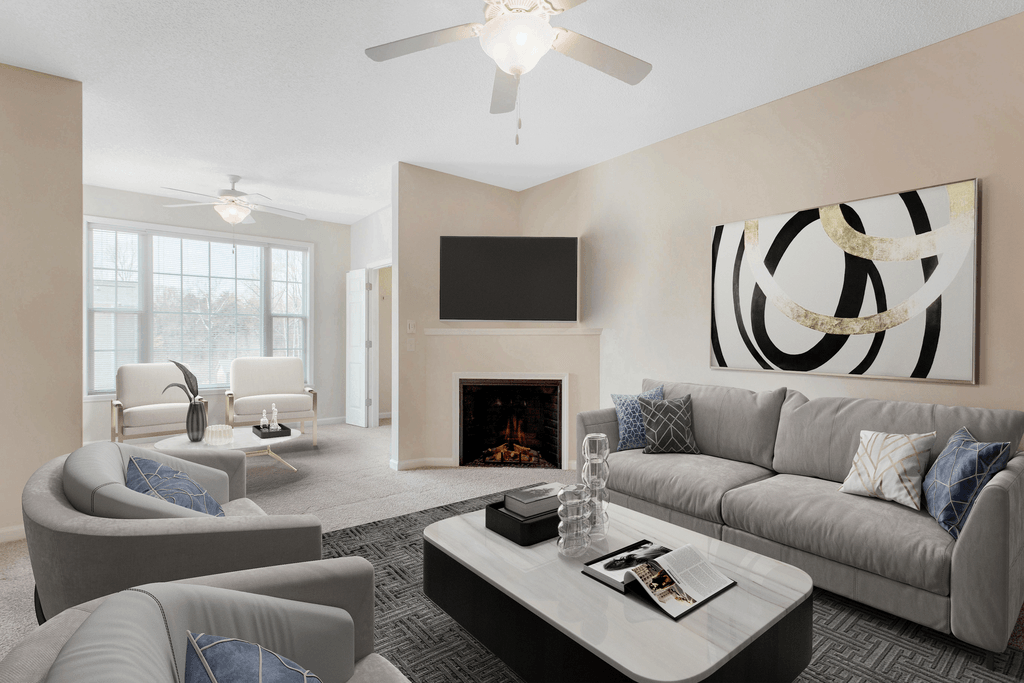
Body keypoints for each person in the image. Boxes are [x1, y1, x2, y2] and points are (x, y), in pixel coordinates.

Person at [603, 543, 671, 571]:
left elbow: (641, 550)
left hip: (656, 546)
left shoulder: (627, 558)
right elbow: (650, 559)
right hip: (662, 550)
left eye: (615, 561)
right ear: (617, 567)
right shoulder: (632, 563)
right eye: (615, 564)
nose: (617, 561)